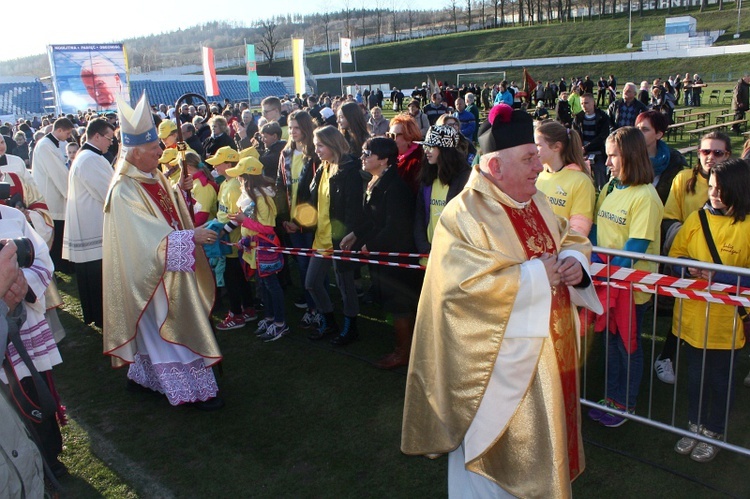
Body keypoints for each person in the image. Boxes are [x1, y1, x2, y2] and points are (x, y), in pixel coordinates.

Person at [402, 104, 601, 498]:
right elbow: (457, 294)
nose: (538, 164)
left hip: (551, 360)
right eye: (528, 158)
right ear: (495, 168)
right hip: (498, 375)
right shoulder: (464, 215)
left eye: (537, 155)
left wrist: (574, 261)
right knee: (490, 474)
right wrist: (531, 277)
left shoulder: (536, 200)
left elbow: (570, 236)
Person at [102, 93, 223, 410]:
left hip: (168, 268)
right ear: (135, 151)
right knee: (168, 326)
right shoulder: (123, 189)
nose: (160, 150)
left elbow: (165, 208)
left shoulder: (151, 173)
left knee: (156, 331)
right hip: (151, 276)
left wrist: (179, 191)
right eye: (154, 146)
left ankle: (142, 378)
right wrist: (190, 236)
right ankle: (193, 390)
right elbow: (144, 239)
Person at [668, 158, 750, 462]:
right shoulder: (695, 220)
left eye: (721, 189)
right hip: (691, 317)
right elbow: (675, 258)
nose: (713, 194)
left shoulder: (747, 226)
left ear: (739, 189)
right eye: (711, 187)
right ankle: (695, 425)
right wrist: (686, 269)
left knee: (720, 380)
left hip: (726, 324)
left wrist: (719, 277)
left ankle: (714, 431)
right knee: (695, 377)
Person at [587, 126, 663, 427]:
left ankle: (625, 404)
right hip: (608, 284)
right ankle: (612, 397)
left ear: (630, 156)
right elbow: (595, 230)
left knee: (628, 346)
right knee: (611, 344)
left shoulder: (645, 196)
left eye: (612, 156)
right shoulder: (609, 188)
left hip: (631, 290)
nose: (607, 163)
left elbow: (636, 247)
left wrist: (602, 272)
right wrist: (592, 262)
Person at [655, 131, 732, 384]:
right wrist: (686, 250)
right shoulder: (683, 178)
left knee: (728, 314)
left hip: (726, 261)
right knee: (684, 308)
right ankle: (666, 358)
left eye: (717, 152)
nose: (710, 157)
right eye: (705, 151)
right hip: (690, 260)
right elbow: (669, 217)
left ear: (728, 155)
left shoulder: (739, 182)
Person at [342, 137, 422, 369]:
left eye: (368, 153)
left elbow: (395, 226)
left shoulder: (395, 187)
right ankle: (405, 348)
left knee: (400, 306)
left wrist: (370, 245)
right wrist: (356, 234)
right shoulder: (377, 181)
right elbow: (373, 218)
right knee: (393, 305)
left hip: (396, 258)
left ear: (385, 159)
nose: (363, 157)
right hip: (383, 254)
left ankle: (404, 353)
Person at [0, 204, 66, 477]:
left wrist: (24, 284)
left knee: (36, 386)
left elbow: (39, 256)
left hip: (25, 321)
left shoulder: (13, 216)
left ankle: (50, 456)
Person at [307, 126, 364, 346]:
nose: (317, 150)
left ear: (332, 144)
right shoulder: (322, 167)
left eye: (320, 145)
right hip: (321, 238)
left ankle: (351, 327)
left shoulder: (350, 169)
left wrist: (350, 235)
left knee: (345, 286)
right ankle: (328, 321)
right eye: (315, 145)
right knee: (311, 283)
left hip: (341, 239)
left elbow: (353, 208)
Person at [62, 118, 115, 328]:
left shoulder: (88, 156)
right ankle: (102, 317)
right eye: (109, 138)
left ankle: (97, 315)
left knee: (92, 277)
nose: (111, 142)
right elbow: (108, 194)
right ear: (97, 136)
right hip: (93, 227)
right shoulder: (90, 159)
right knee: (96, 277)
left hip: (89, 224)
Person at [229, 156, 288, 342]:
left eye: (240, 175)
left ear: (247, 177)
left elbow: (268, 228)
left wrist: (243, 221)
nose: (237, 178)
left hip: (264, 249)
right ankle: (270, 318)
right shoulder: (250, 194)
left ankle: (280, 323)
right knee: (263, 286)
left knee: (272, 286)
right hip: (253, 248)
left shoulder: (261, 197)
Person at [277, 110, 322, 330]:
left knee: (313, 266)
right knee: (302, 265)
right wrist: (285, 219)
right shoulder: (285, 153)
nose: (293, 132)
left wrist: (302, 223)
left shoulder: (315, 155)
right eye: (290, 127)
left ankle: (318, 308)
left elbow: (316, 196)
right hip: (291, 223)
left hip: (310, 223)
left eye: (297, 127)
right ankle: (312, 306)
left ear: (306, 128)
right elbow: (279, 187)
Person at [207, 146, 258, 330]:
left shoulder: (235, 186)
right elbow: (224, 212)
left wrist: (222, 231)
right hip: (228, 240)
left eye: (218, 164)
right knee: (238, 277)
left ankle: (237, 314)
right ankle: (249, 309)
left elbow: (239, 215)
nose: (215, 167)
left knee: (233, 278)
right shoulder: (225, 183)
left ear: (228, 163)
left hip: (233, 242)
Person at [413, 125, 470, 270]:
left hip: (453, 261)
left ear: (445, 150)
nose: (426, 151)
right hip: (428, 260)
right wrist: (424, 247)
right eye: (425, 146)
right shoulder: (427, 178)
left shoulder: (466, 179)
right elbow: (419, 215)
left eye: (431, 147)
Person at [535, 120, 596, 237]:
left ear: (557, 147)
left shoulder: (581, 181)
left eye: (538, 145)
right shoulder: (541, 175)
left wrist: (563, 253)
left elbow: (579, 228)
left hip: (562, 253)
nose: (534, 150)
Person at [32, 117, 75, 273]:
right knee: (56, 232)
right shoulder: (45, 146)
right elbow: (58, 173)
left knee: (60, 230)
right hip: (52, 195)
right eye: (68, 133)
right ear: (59, 130)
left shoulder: (51, 144)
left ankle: (62, 263)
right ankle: (59, 264)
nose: (69, 136)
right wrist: (70, 192)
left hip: (56, 193)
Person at [634, 110, 687, 205]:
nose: (639, 133)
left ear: (658, 134)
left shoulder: (673, 162)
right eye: (637, 128)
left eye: (645, 129)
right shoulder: (626, 157)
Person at [387, 114, 424, 194]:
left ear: (409, 137)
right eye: (388, 135)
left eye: (393, 136)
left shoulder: (418, 160)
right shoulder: (393, 156)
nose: (390, 139)